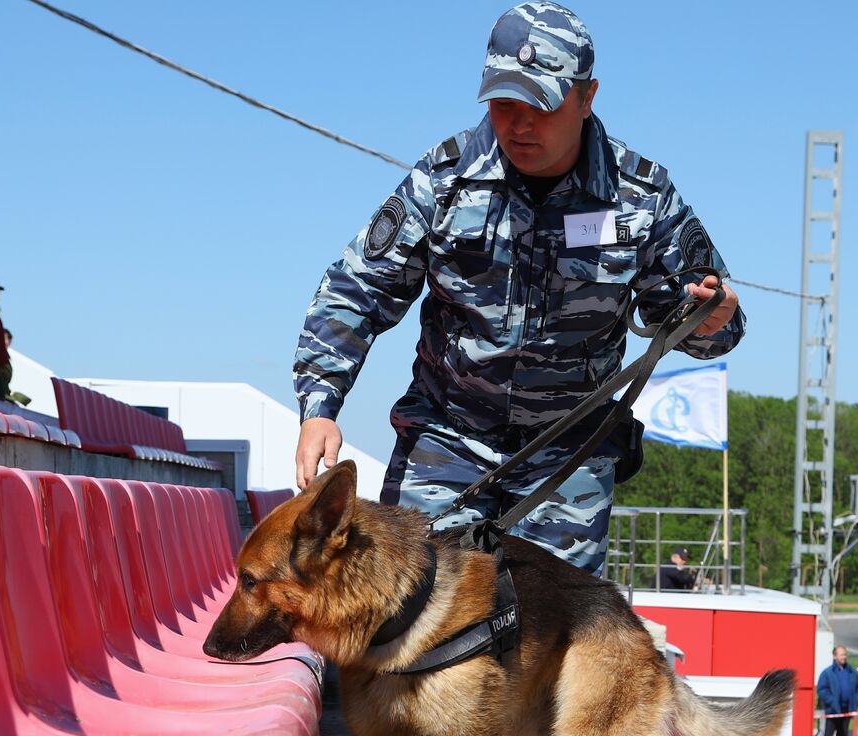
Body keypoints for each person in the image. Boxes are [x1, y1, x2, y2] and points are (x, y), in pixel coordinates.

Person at [292, 2, 745, 576]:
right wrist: (320, 405)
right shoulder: (445, 181)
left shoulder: (642, 199)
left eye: (541, 104)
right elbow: (356, 290)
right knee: (407, 627)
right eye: (504, 103)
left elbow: (701, 324)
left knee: (552, 645)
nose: (519, 123)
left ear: (587, 97)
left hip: (567, 458)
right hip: (446, 441)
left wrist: (712, 323)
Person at [816, 646, 858, 736]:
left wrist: (856, 702)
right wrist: (831, 701)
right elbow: (822, 689)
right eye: (841, 655)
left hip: (846, 711)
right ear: (835, 656)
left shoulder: (852, 672)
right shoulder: (828, 673)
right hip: (832, 710)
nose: (843, 657)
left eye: (845, 654)